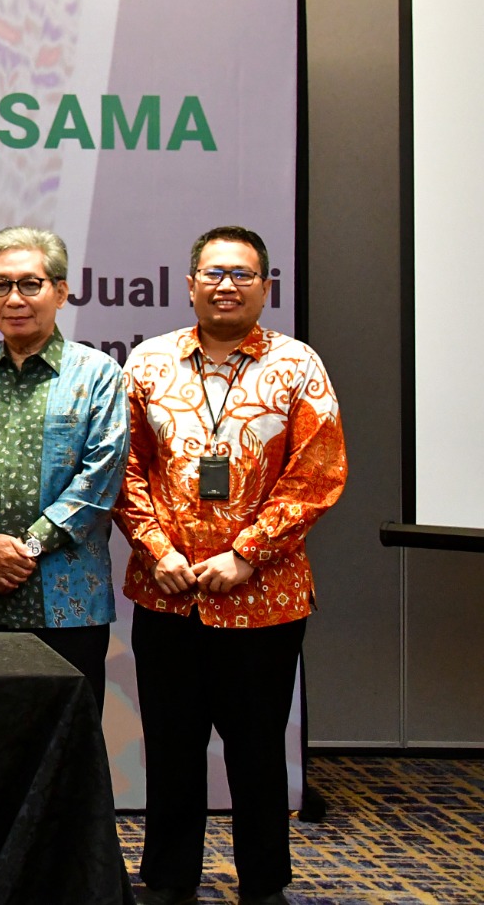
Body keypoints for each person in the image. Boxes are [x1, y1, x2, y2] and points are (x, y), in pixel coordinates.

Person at [114, 226, 347, 905]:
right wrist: (156, 550)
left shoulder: (298, 366)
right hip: (167, 593)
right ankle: (168, 878)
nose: (226, 286)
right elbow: (123, 469)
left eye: (242, 274)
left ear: (265, 287)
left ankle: (264, 883)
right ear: (190, 284)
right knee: (171, 747)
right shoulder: (149, 363)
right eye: (213, 273)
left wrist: (246, 556)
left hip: (264, 598)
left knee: (257, 750)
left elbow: (318, 475)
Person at [0, 226, 128, 712]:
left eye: (30, 284)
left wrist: (25, 550)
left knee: (68, 740)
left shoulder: (98, 374)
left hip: (69, 600)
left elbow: (101, 477)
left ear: (60, 291)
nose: (14, 298)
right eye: (1, 285)